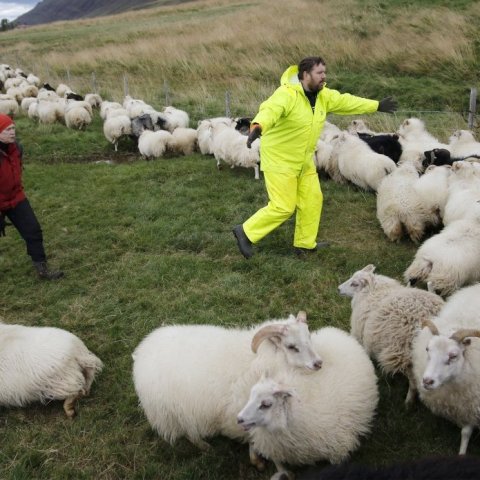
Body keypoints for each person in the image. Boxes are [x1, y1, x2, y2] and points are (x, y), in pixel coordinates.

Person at [232, 56, 397, 259]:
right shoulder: (286, 95)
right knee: (283, 206)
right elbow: (270, 111)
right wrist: (257, 126)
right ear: (305, 75)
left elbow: (347, 101)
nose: (324, 77)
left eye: (324, 72)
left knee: (312, 200)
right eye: (319, 73)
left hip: (304, 159)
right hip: (279, 160)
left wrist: (377, 105)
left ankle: (304, 244)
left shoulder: (323, 96)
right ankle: (246, 232)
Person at [0, 114, 64, 280]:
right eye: (7, 130)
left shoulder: (16, 149)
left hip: (16, 197)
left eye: (13, 128)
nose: (12, 132)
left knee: (33, 230)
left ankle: (42, 269)